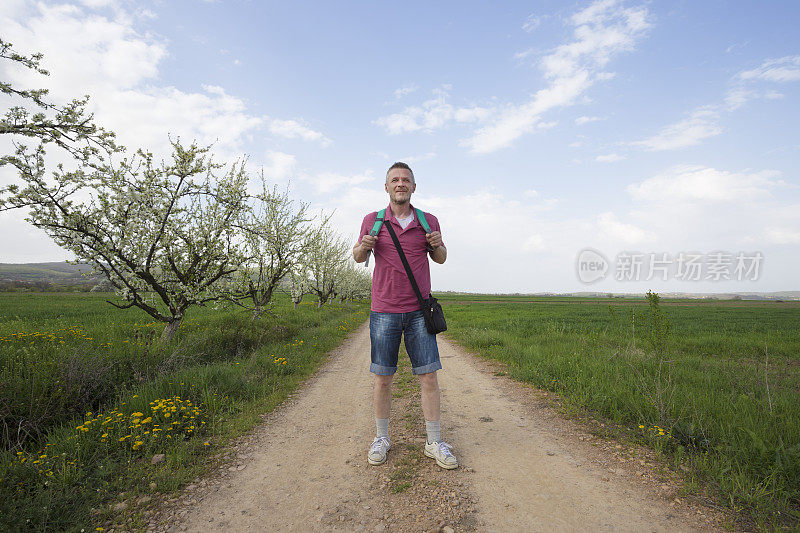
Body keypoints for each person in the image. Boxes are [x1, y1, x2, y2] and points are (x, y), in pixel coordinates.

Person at [352, 162, 457, 470]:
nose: (400, 184)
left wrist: (437, 245)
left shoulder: (428, 220)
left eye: (406, 180)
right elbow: (359, 258)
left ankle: (434, 442)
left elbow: (440, 257)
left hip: (418, 312)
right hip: (383, 310)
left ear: (414, 186)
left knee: (428, 376)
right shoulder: (373, 221)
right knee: (383, 378)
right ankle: (382, 439)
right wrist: (363, 246)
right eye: (395, 180)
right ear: (386, 187)